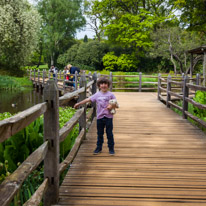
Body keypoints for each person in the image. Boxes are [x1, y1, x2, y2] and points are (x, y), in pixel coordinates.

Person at [74, 77, 119, 155]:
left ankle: (111, 149)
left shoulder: (111, 95)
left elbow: (117, 105)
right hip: (100, 117)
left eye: (105, 84)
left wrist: (112, 106)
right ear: (99, 85)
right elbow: (88, 99)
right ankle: (98, 148)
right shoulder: (97, 94)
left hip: (109, 117)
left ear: (108, 85)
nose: (103, 85)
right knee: (100, 133)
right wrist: (79, 103)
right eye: (102, 84)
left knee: (109, 133)